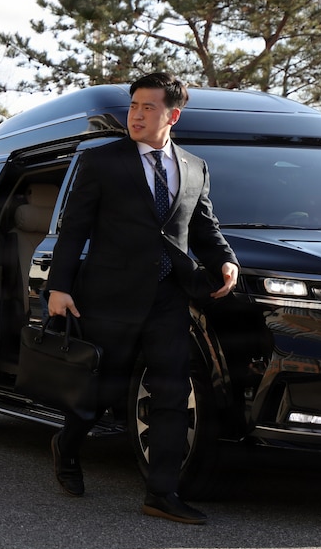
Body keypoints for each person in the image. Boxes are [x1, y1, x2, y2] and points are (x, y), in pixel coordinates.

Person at [46, 71, 239, 525]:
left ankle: (161, 492)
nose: (136, 114)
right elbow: (74, 228)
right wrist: (60, 286)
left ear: (172, 114)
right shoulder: (102, 161)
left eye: (147, 107)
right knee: (98, 391)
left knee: (172, 392)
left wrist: (226, 260)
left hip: (168, 297)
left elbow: (204, 228)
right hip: (108, 296)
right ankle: (68, 444)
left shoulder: (194, 167)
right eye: (133, 106)